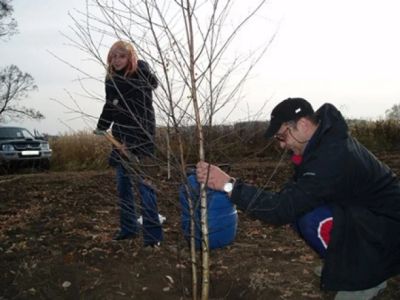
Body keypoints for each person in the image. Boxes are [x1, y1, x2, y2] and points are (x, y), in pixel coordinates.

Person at [196, 98, 400, 299]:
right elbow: (291, 196)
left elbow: (281, 209)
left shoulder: (331, 156)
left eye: (282, 136)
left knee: (311, 219)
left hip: (388, 229)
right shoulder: (324, 142)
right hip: (369, 216)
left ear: (302, 124)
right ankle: (348, 262)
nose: (282, 145)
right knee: (302, 213)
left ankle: (364, 278)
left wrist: (229, 185)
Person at [94, 40, 163, 247]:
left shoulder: (140, 73)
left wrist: (140, 66)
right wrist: (102, 125)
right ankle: (129, 228)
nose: (116, 60)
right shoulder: (111, 80)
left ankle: (152, 237)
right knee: (123, 186)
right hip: (120, 137)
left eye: (121, 56)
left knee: (146, 187)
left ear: (130, 57)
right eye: (113, 56)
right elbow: (110, 105)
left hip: (141, 136)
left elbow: (153, 83)